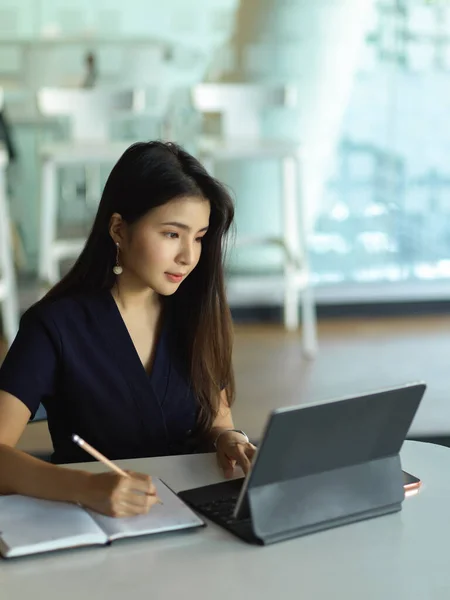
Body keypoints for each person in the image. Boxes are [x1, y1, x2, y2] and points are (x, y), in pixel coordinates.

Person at [0, 141, 256, 518]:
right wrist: (86, 487)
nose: (188, 256)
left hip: (195, 519)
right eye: (172, 234)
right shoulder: (54, 326)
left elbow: (218, 422)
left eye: (199, 237)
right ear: (119, 229)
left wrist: (230, 440)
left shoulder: (196, 312)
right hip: (99, 525)